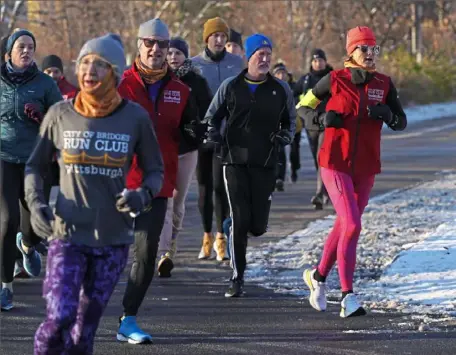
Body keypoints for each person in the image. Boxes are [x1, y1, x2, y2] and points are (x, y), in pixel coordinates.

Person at [26, 33, 164, 354]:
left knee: (83, 332)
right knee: (59, 317)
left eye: (99, 65)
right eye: (84, 62)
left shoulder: (135, 118)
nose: (89, 71)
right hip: (67, 235)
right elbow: (34, 167)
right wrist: (36, 205)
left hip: (112, 241)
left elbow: (155, 171)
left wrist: (141, 195)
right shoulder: (60, 115)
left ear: (114, 72)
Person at [299, 26, 407, 317]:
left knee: (347, 224)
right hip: (334, 162)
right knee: (353, 224)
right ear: (351, 52)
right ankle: (348, 295)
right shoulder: (334, 80)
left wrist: (388, 114)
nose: (370, 55)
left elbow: (401, 121)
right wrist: (322, 118)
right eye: (364, 49)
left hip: (366, 166)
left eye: (374, 49)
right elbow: (302, 106)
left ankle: (318, 277)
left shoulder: (383, 84)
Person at [117, 18, 200, 344]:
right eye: (149, 43)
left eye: (161, 44)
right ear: (138, 45)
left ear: (168, 49)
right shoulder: (121, 85)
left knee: (147, 253)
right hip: (117, 182)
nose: (155, 49)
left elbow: (188, 132)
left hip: (156, 184)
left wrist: (194, 134)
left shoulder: (181, 91)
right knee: (104, 254)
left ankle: (128, 318)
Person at [205, 34, 296, 297]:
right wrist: (213, 134)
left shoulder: (281, 90)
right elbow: (212, 117)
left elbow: (291, 120)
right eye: (260, 54)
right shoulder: (231, 86)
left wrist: (286, 136)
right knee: (241, 220)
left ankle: (233, 227)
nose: (265, 59)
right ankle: (237, 276)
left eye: (269, 54)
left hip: (265, 162)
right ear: (249, 56)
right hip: (233, 161)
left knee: (257, 226)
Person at [0, 29, 62, 311]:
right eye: (21, 47)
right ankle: (5, 287)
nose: (26, 51)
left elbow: (61, 118)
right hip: (3, 158)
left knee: (34, 224)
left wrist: (43, 121)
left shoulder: (45, 84)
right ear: (8, 54)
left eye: (30, 47)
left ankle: (27, 245)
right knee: (6, 221)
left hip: (34, 160)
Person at [157, 36, 212, 277]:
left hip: (188, 149)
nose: (173, 57)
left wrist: (198, 128)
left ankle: (172, 244)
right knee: (165, 201)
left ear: (185, 56)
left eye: (178, 53)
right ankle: (164, 253)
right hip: (163, 149)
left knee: (178, 202)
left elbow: (208, 111)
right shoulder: (157, 80)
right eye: (169, 53)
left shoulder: (197, 82)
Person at [192, 17, 244, 261]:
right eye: (216, 36)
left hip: (226, 134)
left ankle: (221, 238)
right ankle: (206, 236)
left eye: (224, 36)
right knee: (203, 186)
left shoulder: (237, 63)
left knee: (220, 186)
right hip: (202, 134)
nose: (220, 40)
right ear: (206, 38)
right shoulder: (194, 65)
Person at [295, 49, 333, 209]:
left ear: (325, 61)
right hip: (311, 125)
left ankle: (320, 193)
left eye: (321, 60)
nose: (318, 63)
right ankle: (327, 189)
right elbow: (294, 96)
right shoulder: (305, 80)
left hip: (328, 123)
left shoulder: (333, 77)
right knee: (318, 160)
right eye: (315, 60)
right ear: (311, 63)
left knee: (322, 156)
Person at [271, 62, 303, 190]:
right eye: (278, 73)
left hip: (295, 123)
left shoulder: (294, 87)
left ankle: (295, 168)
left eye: (282, 73)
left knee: (294, 151)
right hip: (278, 124)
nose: (281, 75)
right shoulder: (270, 87)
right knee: (280, 151)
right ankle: (280, 178)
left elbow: (301, 101)